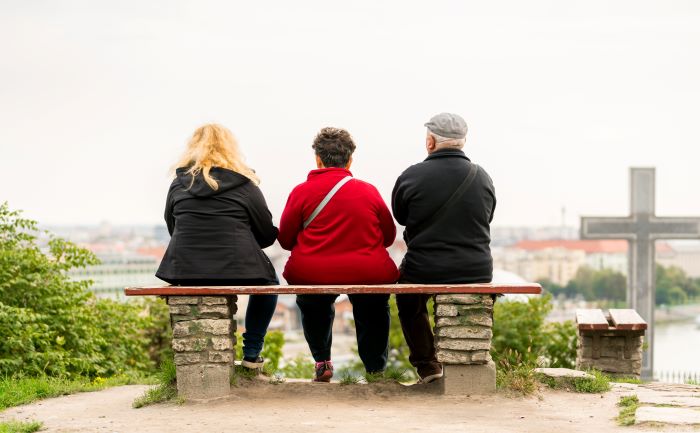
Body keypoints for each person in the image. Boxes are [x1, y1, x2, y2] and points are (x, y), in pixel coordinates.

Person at [278, 127, 399, 382]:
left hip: (314, 272)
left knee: (313, 304)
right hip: (368, 270)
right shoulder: (369, 191)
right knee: (373, 309)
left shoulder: (301, 192)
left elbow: (286, 240)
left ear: (318, 159)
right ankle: (375, 370)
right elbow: (388, 237)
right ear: (350, 160)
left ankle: (322, 362)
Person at [156, 123, 279, 370]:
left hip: (186, 270)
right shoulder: (245, 184)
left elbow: (174, 228)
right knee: (270, 286)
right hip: (239, 268)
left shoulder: (178, 184)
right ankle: (252, 354)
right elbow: (266, 235)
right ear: (231, 149)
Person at [391, 113, 496, 383]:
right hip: (475, 268)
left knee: (408, 301)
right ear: (463, 142)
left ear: (430, 142)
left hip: (424, 267)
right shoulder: (481, 176)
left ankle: (428, 367)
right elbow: (488, 215)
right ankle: (470, 363)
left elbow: (400, 216)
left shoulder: (411, 176)